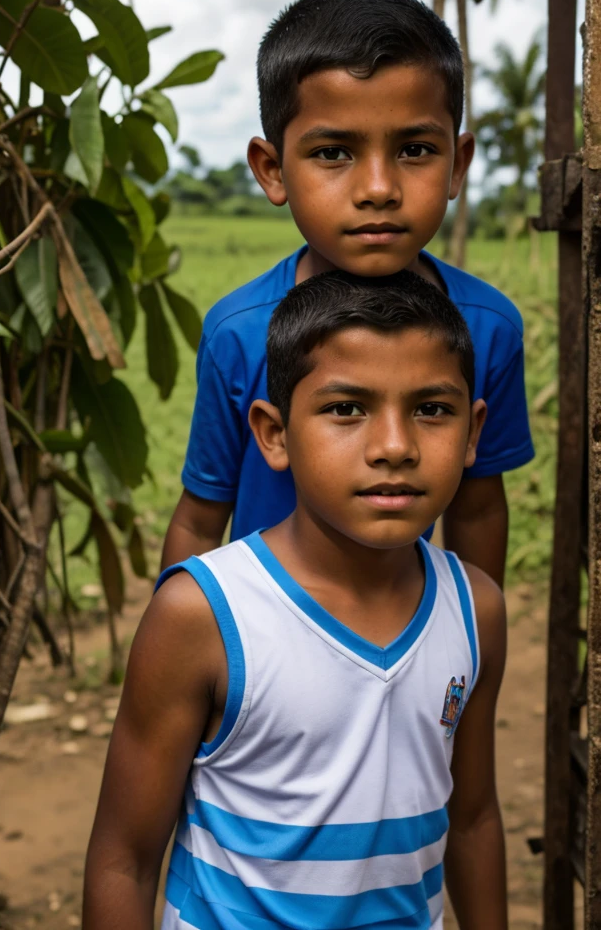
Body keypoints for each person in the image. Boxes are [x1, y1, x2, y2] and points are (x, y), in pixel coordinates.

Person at [84, 270, 508, 930]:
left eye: (432, 409)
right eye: (346, 409)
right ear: (273, 433)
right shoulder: (204, 615)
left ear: (473, 430)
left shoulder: (475, 610)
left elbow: (475, 817)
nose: (394, 447)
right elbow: (123, 862)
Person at [161, 0, 534, 587]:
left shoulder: (487, 328)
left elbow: (480, 506)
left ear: (457, 165)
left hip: (409, 637)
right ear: (272, 170)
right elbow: (202, 519)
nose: (379, 187)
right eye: (334, 153)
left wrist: (472, 640)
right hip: (264, 646)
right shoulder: (239, 334)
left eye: (415, 149)